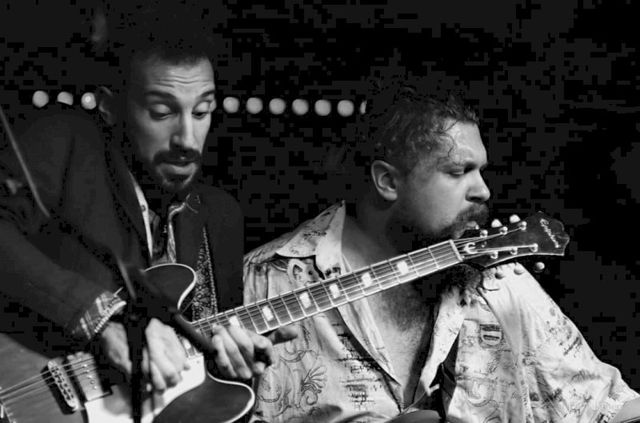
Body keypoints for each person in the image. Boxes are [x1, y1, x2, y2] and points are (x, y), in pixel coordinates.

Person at [243, 80, 639, 422]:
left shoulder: (498, 279)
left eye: (481, 170)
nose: (483, 190)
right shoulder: (265, 282)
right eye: (458, 171)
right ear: (387, 182)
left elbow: (610, 407)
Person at [0, 8, 294, 401]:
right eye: (162, 112)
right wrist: (101, 319)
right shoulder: (64, 145)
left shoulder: (220, 216)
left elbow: (195, 379)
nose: (187, 139)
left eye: (202, 111)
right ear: (110, 107)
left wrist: (225, 363)